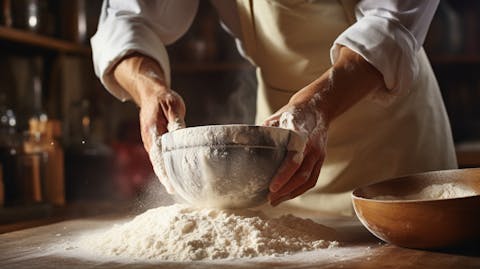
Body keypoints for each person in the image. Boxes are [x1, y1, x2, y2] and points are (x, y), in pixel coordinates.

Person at [91, 0, 457, 215]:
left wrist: (318, 103)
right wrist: (148, 88)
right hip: (281, 140)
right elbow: (127, 17)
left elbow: (391, 22)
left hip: (387, 121)